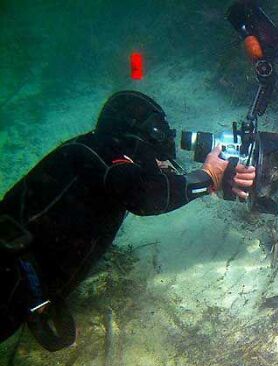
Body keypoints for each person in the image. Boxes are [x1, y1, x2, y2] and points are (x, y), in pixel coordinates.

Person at [0, 91, 256, 351]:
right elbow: (143, 197)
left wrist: (213, 175)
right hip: (8, 274)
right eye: (156, 132)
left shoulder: (97, 151)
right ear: (136, 134)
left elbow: (145, 184)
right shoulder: (104, 155)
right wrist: (207, 176)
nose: (161, 144)